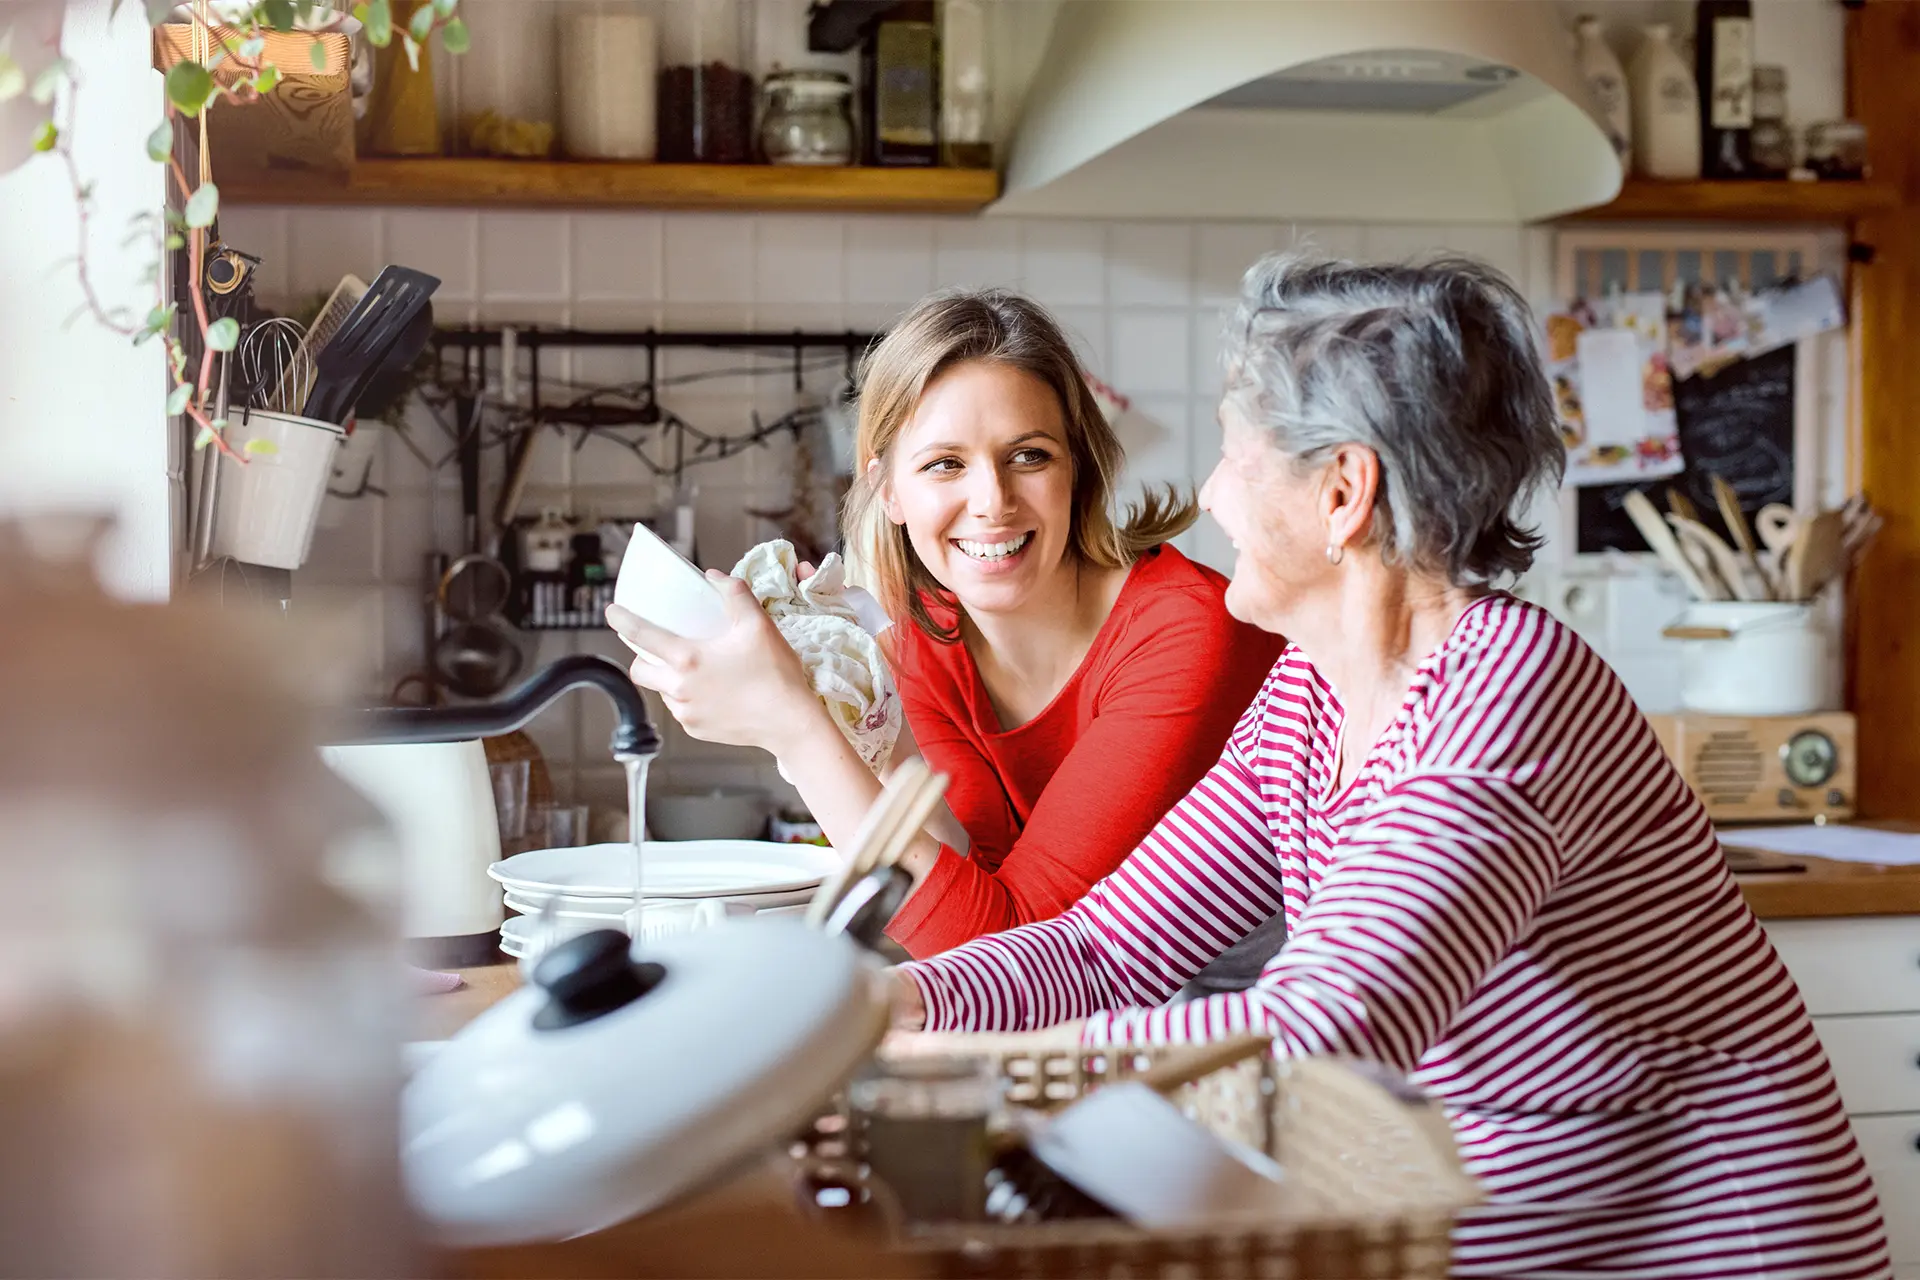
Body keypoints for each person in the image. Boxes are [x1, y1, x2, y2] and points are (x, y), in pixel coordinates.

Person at [890, 256, 1889, 1278]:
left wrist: (976, 1072)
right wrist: (898, 1009)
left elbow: (1326, 1026)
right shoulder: (1310, 692)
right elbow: (1108, 948)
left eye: (1235, 454)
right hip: (1498, 1212)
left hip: (1704, 1240)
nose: (1208, 492)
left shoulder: (1507, 691)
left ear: (1341, 493)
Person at [607, 290, 1283, 958]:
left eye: (1030, 455)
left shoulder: (1188, 632)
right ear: (888, 489)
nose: (992, 501)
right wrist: (850, 709)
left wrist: (793, 728)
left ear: (1078, 469)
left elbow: (1012, 955)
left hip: (1249, 1033)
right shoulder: (924, 635)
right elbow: (964, 892)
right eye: (945, 464)